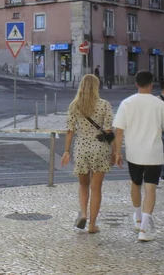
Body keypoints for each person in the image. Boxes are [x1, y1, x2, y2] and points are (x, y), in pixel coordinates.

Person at [113, 70, 164, 242]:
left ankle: (138, 217)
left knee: (135, 184)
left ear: (136, 84)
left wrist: (117, 152)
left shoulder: (127, 103)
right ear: (151, 84)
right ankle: (144, 228)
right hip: (154, 153)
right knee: (150, 188)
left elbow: (119, 131)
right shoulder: (159, 105)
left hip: (133, 152)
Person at [61, 74, 114, 234]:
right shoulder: (104, 105)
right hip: (100, 147)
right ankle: (92, 225)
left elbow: (70, 130)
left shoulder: (74, 105)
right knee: (96, 187)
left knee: (83, 184)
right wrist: (115, 151)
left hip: (81, 148)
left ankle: (83, 214)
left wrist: (66, 151)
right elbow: (108, 130)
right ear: (96, 87)